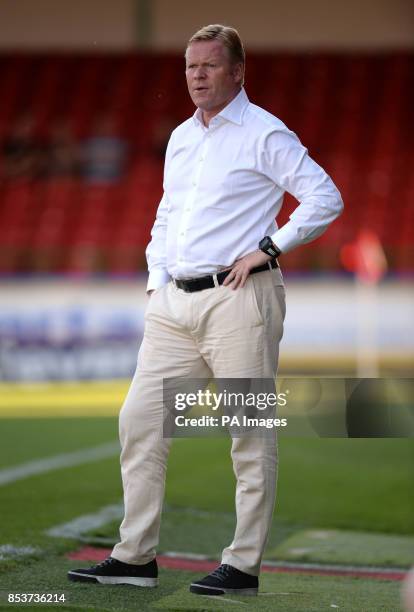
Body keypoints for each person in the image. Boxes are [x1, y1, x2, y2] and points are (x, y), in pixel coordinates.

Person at [68, 24, 343, 596]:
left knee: (248, 433)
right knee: (138, 422)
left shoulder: (266, 133)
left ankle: (241, 567)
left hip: (241, 300)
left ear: (238, 71)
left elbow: (325, 196)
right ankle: (135, 557)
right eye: (191, 67)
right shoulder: (181, 137)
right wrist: (156, 281)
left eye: (210, 66)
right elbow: (168, 213)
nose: (196, 76)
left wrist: (268, 248)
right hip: (175, 304)